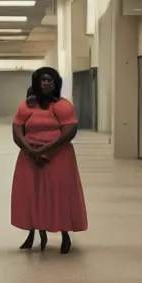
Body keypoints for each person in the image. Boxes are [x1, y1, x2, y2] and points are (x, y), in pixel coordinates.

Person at [10, 67, 88, 254]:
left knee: (60, 194)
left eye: (50, 80)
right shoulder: (26, 106)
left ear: (56, 83)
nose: (46, 83)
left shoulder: (63, 106)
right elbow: (17, 129)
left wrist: (47, 149)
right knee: (32, 194)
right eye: (43, 80)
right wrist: (29, 149)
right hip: (30, 156)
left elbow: (69, 131)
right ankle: (34, 233)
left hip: (59, 156)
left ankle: (65, 235)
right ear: (37, 83)